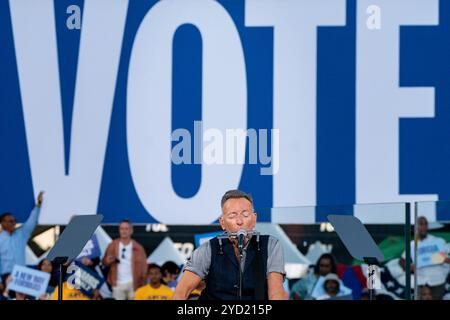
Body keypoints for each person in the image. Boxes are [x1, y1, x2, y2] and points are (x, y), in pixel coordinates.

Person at [173, 189, 287, 300]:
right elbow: (181, 292)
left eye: (245, 215)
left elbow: (276, 291)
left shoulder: (270, 246)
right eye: (232, 216)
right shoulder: (208, 249)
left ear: (254, 219)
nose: (239, 222)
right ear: (222, 223)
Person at [399, 216, 450, 300]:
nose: (423, 226)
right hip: (420, 281)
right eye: (421, 224)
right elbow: (402, 260)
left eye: (425, 224)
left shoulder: (438, 241)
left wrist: (443, 259)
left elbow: (447, 258)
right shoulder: (412, 244)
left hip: (437, 280)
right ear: (415, 226)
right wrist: (408, 267)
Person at [0, 191, 44, 285]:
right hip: (6, 276)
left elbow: (32, 221)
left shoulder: (21, 234)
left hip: (22, 275)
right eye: (10, 221)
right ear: (3, 223)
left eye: (14, 221)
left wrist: (38, 205)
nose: (14, 223)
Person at [102, 219, 147, 300]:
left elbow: (144, 268)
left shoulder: (138, 247)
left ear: (131, 231)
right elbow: (104, 262)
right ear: (119, 230)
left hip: (133, 284)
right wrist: (108, 261)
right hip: (117, 283)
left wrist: (142, 283)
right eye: (122, 228)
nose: (124, 231)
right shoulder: (112, 245)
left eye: (126, 228)